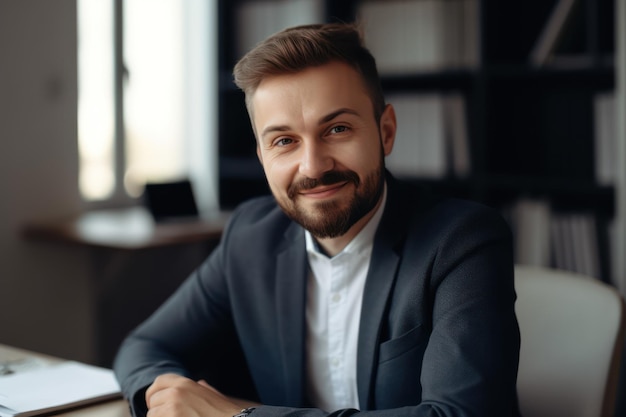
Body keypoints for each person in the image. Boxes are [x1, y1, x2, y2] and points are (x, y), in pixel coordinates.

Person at [114, 23, 520, 417]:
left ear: (386, 132)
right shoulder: (250, 236)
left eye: (337, 129)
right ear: (262, 156)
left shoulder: (461, 241)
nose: (313, 166)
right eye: (284, 141)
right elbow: (145, 347)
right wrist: (173, 402)